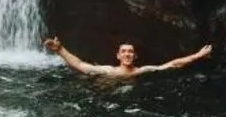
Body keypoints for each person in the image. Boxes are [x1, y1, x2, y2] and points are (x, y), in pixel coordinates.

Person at [42, 35, 212, 85]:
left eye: (130, 52)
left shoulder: (143, 71)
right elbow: (80, 65)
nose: (127, 54)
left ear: (135, 56)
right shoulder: (108, 70)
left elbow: (172, 64)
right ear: (118, 56)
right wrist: (60, 50)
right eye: (123, 52)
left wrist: (197, 56)